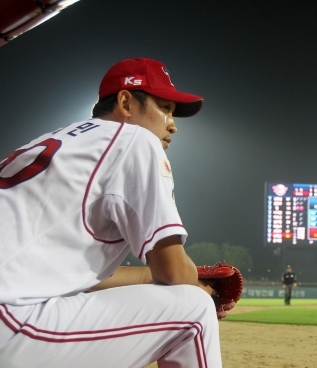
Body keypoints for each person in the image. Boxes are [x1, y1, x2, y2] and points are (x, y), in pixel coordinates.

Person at [0, 58, 222, 367]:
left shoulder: (60, 140)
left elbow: (78, 278)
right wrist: (199, 282)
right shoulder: (135, 140)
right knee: (195, 309)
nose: (173, 124)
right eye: (165, 108)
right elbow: (173, 274)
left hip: (14, 306)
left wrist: (148, 277)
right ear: (126, 102)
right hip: (9, 320)